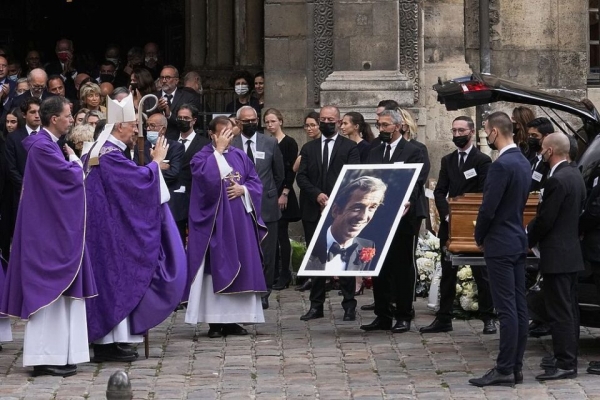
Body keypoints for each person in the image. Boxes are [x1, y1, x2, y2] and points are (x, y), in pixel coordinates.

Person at [84, 94, 187, 362]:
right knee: (113, 282)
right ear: (119, 126)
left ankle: (114, 341)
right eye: (133, 126)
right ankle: (106, 344)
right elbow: (136, 182)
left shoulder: (102, 150)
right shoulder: (108, 154)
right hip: (109, 232)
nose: (136, 132)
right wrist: (156, 163)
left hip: (107, 228)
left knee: (114, 282)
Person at [0, 96, 97, 377]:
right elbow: (69, 180)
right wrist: (77, 162)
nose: (72, 119)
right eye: (68, 115)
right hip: (44, 234)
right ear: (54, 119)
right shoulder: (43, 148)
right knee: (48, 293)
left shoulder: (49, 145)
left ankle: (58, 353)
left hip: (48, 229)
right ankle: (43, 357)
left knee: (59, 296)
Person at [184, 116, 267, 338]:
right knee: (215, 269)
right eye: (223, 134)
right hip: (215, 223)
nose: (228, 138)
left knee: (243, 266)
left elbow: (255, 182)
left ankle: (233, 320)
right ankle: (214, 322)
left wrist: (244, 190)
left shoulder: (240, 155)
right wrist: (218, 152)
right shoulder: (201, 157)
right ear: (212, 135)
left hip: (240, 223)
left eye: (231, 133)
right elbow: (205, 183)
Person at [469, 112, 531, 387]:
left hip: (500, 242)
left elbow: (488, 207)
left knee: (507, 309)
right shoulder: (523, 161)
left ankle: (505, 368)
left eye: (486, 130)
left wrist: (479, 235)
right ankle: (515, 367)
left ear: (494, 131)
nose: (486, 136)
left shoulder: (501, 165)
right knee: (518, 306)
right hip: (516, 239)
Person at [420, 116, 496, 334]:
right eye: (454, 131)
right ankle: (444, 318)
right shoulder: (448, 160)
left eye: (461, 131)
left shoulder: (482, 160)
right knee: (448, 270)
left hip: (472, 224)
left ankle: (488, 317)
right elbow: (440, 191)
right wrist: (447, 215)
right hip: (450, 224)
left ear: (471, 132)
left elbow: (483, 192)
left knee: (481, 272)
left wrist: (466, 215)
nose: (457, 135)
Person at [526, 133, 585, 381]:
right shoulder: (575, 174)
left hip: (557, 255)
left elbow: (546, 219)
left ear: (550, 151)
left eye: (542, 149)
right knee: (569, 310)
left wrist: (527, 238)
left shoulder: (557, 180)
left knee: (560, 312)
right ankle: (567, 358)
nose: (540, 153)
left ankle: (565, 362)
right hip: (570, 253)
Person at [360, 109, 425, 334]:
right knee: (380, 267)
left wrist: (408, 200)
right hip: (379, 218)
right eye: (379, 125)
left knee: (402, 268)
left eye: (385, 125)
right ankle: (383, 315)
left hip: (404, 219)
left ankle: (404, 314)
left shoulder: (413, 151)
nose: (381, 129)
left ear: (398, 126)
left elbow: (417, 181)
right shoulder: (375, 151)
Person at [296, 105, 360, 321]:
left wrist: (335, 199)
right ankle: (316, 305)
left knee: (345, 257)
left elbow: (354, 176)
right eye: (322, 119)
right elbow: (301, 177)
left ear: (339, 122)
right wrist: (317, 194)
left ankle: (349, 305)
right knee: (317, 258)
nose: (326, 123)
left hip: (341, 211)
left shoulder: (350, 147)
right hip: (314, 209)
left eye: (330, 119)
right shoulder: (309, 148)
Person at [232, 106, 284, 309]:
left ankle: (264, 291)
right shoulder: (232, 143)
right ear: (238, 122)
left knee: (267, 252)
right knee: (244, 250)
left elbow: (279, 174)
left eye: (254, 120)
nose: (251, 123)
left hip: (266, 206)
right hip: (240, 205)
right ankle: (245, 288)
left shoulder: (270, 142)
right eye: (246, 121)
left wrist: (267, 193)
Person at [305, 176, 385, 274]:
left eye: (372, 208)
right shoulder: (313, 244)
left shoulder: (368, 246)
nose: (363, 217)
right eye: (357, 207)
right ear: (336, 210)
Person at [264, 108, 301, 290]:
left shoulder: (289, 142)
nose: (270, 125)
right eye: (267, 122)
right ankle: (273, 272)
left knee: (282, 234)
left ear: (280, 121)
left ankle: (284, 273)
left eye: (273, 121)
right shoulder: (265, 142)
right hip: (269, 193)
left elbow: (290, 170)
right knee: (271, 236)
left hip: (283, 193)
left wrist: (285, 192)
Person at [294, 111, 321, 292]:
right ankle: (313, 276)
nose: (309, 129)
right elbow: (296, 169)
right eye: (307, 125)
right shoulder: (307, 148)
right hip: (310, 199)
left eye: (313, 125)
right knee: (311, 239)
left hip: (326, 199)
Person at [152, 65, 196, 139]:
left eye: (168, 77)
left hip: (180, 139)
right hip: (157, 139)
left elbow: (190, 122)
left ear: (176, 80)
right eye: (162, 78)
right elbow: (148, 121)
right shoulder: (152, 98)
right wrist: (158, 110)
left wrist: (169, 115)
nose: (164, 81)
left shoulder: (187, 97)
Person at [527, 117, 554, 192]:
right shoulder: (528, 156)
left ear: (546, 137)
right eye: (529, 135)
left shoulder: (550, 162)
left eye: (534, 135)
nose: (530, 138)